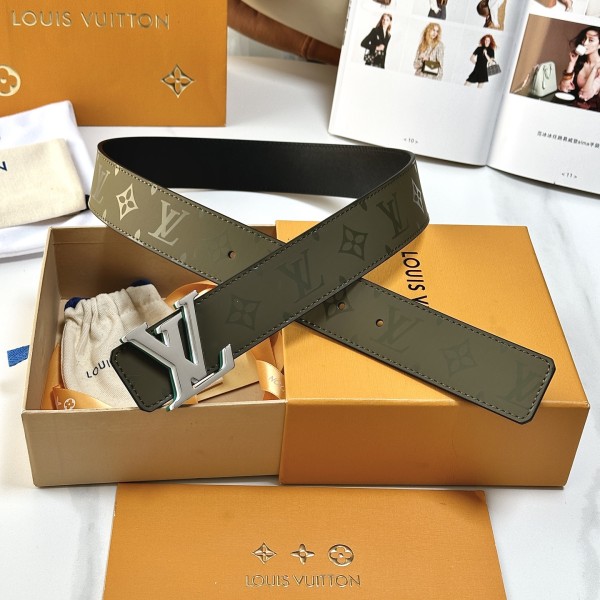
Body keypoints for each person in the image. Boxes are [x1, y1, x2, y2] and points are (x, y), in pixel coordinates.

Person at [558, 26, 600, 109]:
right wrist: (571, 63)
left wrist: (594, 69)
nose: (585, 43)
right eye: (584, 39)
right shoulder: (580, 63)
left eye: (591, 40)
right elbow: (563, 89)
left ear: (599, 45)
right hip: (573, 106)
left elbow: (585, 95)